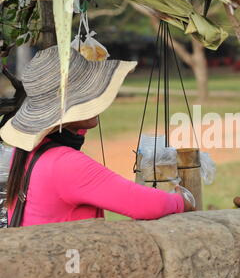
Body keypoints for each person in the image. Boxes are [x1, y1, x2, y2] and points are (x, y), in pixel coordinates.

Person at [0, 45, 195, 227]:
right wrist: (181, 200)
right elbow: (148, 204)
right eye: (88, 95)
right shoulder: (67, 164)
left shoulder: (30, 151)